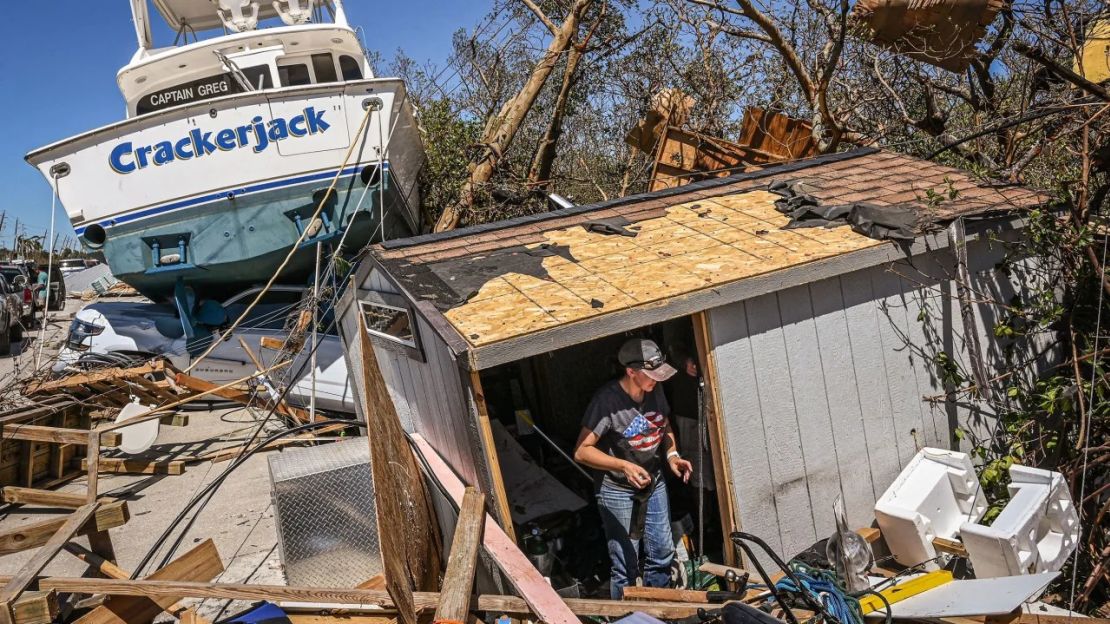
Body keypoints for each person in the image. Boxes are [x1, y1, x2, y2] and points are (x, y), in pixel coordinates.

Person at [574, 338, 693, 598]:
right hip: (617, 488)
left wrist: (672, 455)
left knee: (662, 553)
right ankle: (627, 616)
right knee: (625, 564)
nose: (657, 381)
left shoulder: (655, 391)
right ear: (631, 372)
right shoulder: (606, 402)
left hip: (654, 481)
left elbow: (664, 424)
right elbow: (582, 451)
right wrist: (623, 465)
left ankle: (659, 611)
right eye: (651, 376)